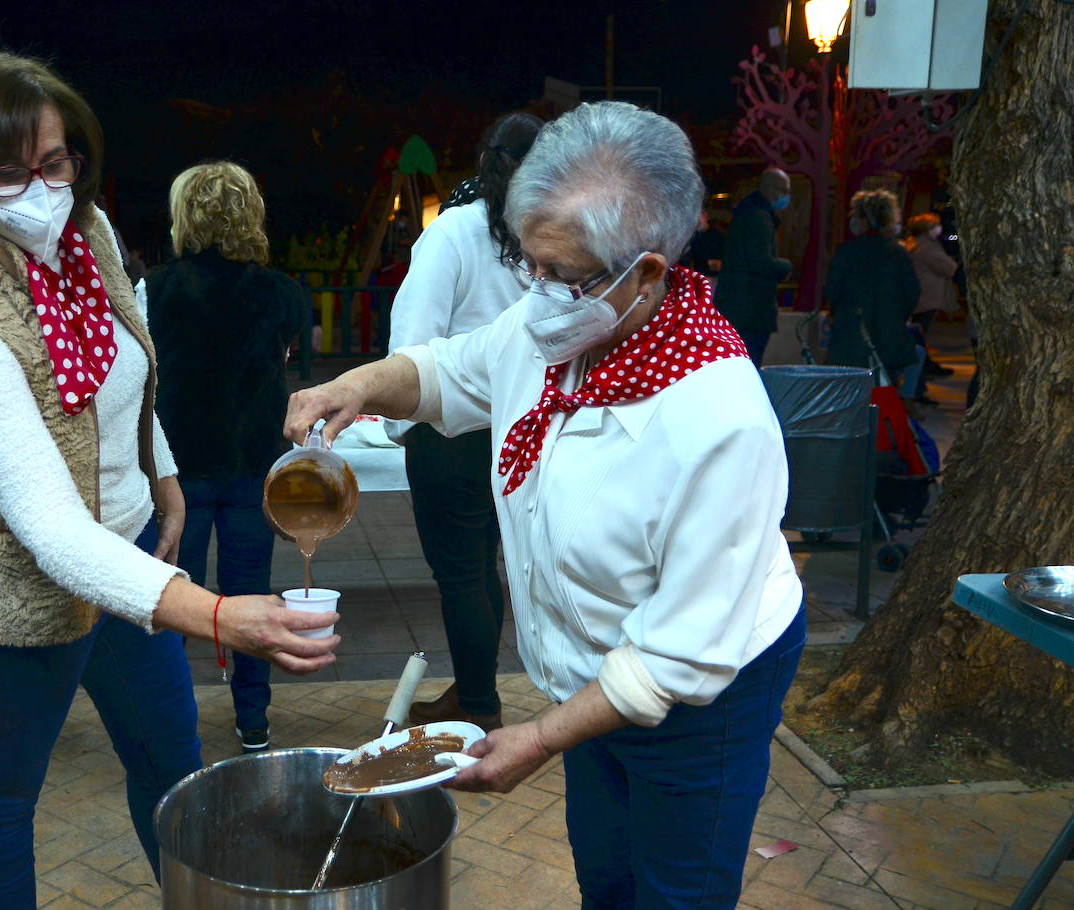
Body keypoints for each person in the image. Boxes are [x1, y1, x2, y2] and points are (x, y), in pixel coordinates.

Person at [284, 101, 804, 909]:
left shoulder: (719, 422)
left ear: (650, 274)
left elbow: (674, 658)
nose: (541, 294)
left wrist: (539, 738)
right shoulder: (559, 323)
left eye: (565, 276)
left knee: (676, 888)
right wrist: (356, 384)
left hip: (705, 688)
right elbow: (454, 371)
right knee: (606, 870)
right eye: (529, 265)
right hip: (593, 678)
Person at [0, 52, 337, 908]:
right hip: (13, 587)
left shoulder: (86, 237)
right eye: (8, 172)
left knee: (174, 771)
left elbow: (123, 375)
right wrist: (212, 611)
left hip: (131, 561)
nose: (42, 189)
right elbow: (47, 524)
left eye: (55, 163)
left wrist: (160, 476)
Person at [136, 161, 308, 753]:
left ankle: (168, 721)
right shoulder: (282, 292)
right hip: (251, 468)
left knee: (170, 596)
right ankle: (253, 720)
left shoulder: (155, 289)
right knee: (250, 593)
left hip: (177, 473)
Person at [387, 111, 542, 733]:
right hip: (518, 430)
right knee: (484, 566)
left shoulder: (456, 227)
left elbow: (414, 340)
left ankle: (478, 703)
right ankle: (477, 693)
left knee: (461, 573)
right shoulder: (544, 231)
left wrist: (399, 423)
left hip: (450, 430)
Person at [825, 190, 920, 382]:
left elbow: (832, 290)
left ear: (864, 219)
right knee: (883, 390)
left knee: (850, 390)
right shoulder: (897, 252)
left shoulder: (848, 250)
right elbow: (912, 292)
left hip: (850, 334)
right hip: (889, 335)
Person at [713, 168, 793, 365]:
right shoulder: (760, 218)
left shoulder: (746, 213)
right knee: (749, 361)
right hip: (751, 310)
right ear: (770, 189)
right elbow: (761, 262)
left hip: (738, 307)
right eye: (784, 190)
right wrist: (786, 266)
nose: (786, 197)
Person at [906, 211, 960, 388]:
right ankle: (922, 372)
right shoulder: (928, 248)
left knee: (920, 335)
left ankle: (926, 367)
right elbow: (949, 268)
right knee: (920, 336)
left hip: (921, 297)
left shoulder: (915, 245)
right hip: (928, 298)